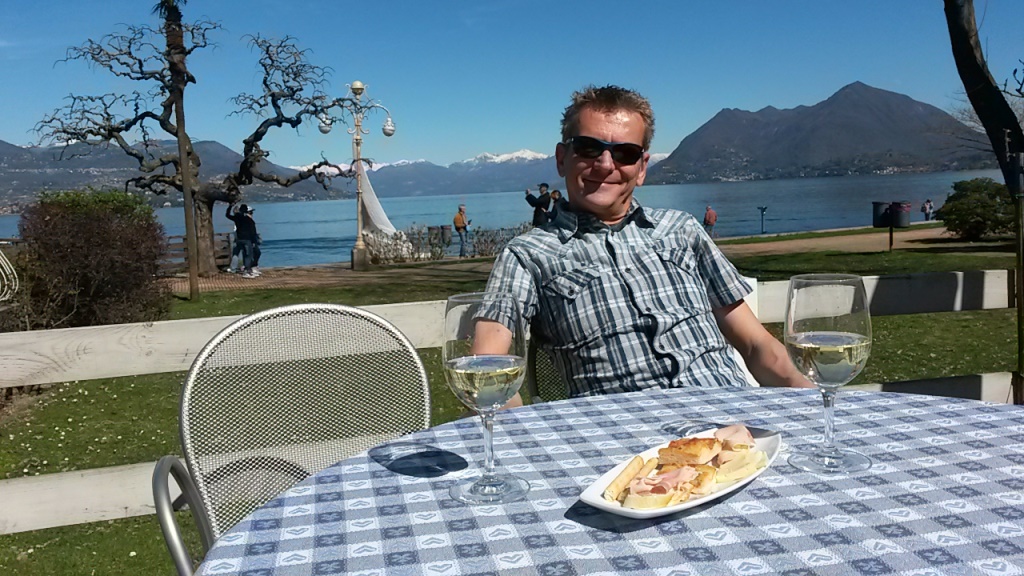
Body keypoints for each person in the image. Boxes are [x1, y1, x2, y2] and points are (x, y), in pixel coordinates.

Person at [478, 85, 812, 408]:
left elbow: (756, 346)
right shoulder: (527, 256)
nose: (606, 165)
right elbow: (488, 374)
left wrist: (813, 401)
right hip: (624, 441)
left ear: (641, 169)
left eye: (624, 153)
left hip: (732, 422)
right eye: (589, 148)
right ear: (562, 159)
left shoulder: (682, 231)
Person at [225, 203, 259, 278]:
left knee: (237, 253)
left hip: (239, 239)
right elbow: (253, 231)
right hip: (247, 239)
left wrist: (229, 207)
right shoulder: (248, 220)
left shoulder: (237, 218)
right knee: (248, 255)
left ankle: (240, 269)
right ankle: (247, 270)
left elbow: (227, 215)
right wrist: (254, 241)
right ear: (246, 211)